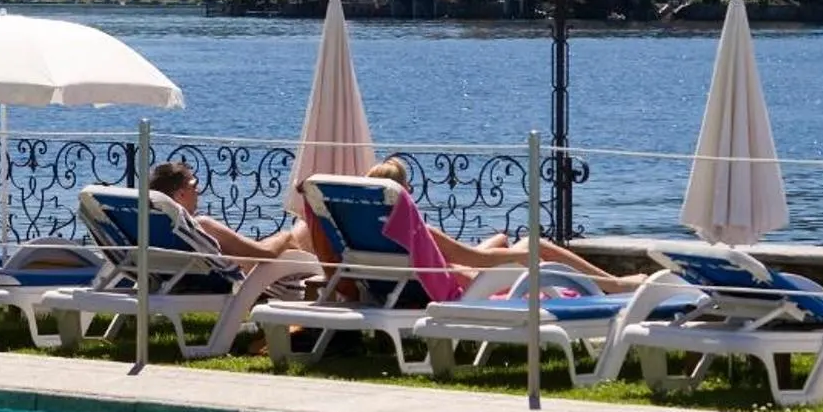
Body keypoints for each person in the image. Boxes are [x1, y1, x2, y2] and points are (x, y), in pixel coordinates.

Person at [359, 160, 643, 290]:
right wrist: (524, 255)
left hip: (419, 280)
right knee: (536, 245)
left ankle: (613, 283)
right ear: (405, 191)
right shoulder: (419, 232)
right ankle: (615, 284)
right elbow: (476, 259)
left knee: (501, 239)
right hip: (466, 284)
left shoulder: (371, 233)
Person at [149, 161, 313, 265]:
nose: (198, 190)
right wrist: (286, 238)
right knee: (305, 224)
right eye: (194, 185)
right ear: (180, 194)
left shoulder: (157, 229)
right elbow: (265, 253)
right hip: (252, 279)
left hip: (183, 278)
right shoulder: (202, 225)